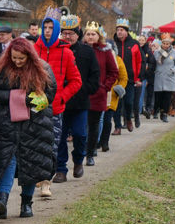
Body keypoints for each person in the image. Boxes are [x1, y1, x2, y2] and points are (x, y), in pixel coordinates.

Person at [0, 38, 56, 219]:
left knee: (30, 162)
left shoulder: (43, 69)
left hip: (34, 123)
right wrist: (16, 96)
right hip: (7, 122)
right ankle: (2, 199)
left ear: (29, 56)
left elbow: (50, 94)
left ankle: (27, 203)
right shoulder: (1, 69)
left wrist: (31, 99)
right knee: (7, 159)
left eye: (21, 58)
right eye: (14, 57)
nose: (17, 61)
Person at [34, 9, 81, 198]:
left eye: (50, 28)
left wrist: (61, 97)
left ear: (57, 30)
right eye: (44, 27)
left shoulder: (66, 53)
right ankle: (38, 176)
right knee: (36, 145)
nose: (46, 31)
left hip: (55, 108)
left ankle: (47, 182)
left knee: (52, 145)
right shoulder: (32, 50)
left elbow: (76, 81)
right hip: (34, 107)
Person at [55, 13, 99, 183]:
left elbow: (95, 76)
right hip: (60, 102)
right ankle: (61, 169)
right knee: (60, 137)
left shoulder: (87, 51)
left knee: (80, 134)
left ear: (77, 33)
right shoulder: (57, 50)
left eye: (71, 33)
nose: (68, 36)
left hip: (80, 102)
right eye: (65, 33)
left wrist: (86, 90)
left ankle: (79, 160)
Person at [82, 22, 118, 166]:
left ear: (98, 36)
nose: (90, 37)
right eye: (88, 34)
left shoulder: (105, 51)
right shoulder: (80, 49)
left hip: (98, 93)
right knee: (81, 126)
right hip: (81, 93)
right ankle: (81, 151)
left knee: (94, 125)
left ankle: (90, 153)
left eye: (93, 34)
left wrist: (105, 87)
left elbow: (114, 71)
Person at [112, 19, 142, 131]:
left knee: (128, 102)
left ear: (126, 32)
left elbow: (140, 61)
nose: (119, 32)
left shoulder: (134, 44)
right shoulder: (113, 43)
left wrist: (139, 78)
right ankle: (117, 127)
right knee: (117, 104)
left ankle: (128, 118)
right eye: (118, 30)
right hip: (115, 78)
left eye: (121, 30)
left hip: (130, 78)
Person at [152, 34, 175, 122]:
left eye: (167, 44)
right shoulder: (157, 52)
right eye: (164, 43)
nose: (165, 45)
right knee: (158, 97)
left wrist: (173, 70)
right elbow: (154, 62)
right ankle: (160, 110)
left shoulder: (174, 52)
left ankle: (165, 113)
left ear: (170, 44)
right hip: (159, 76)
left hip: (169, 77)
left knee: (167, 97)